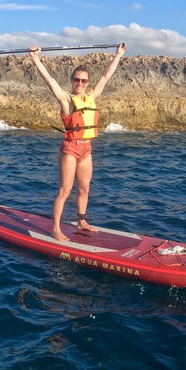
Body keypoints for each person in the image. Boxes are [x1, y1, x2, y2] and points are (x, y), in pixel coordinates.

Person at [28, 43, 126, 241]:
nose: (79, 83)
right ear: (72, 81)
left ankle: (82, 222)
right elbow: (49, 79)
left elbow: (106, 77)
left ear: (88, 82)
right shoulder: (67, 100)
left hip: (86, 149)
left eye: (83, 80)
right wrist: (35, 58)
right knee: (65, 190)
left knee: (84, 188)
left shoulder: (91, 96)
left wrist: (118, 55)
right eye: (76, 80)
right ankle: (55, 228)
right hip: (70, 149)